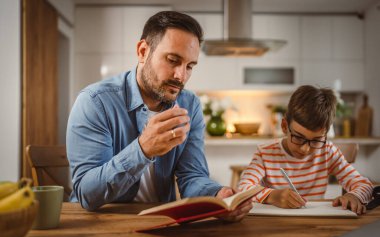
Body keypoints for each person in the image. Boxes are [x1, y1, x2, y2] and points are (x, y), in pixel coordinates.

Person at [66, 11, 251, 221]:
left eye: (190, 66)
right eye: (173, 60)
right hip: (100, 222)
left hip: (162, 223)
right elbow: (86, 194)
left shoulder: (189, 105)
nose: (181, 76)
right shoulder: (95, 102)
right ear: (143, 51)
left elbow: (192, 177)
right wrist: (143, 150)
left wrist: (217, 196)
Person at [238, 85, 373, 215]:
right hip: (275, 226)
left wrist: (354, 196)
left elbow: (364, 184)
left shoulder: (327, 151)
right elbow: (243, 188)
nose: (305, 149)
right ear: (285, 126)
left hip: (315, 226)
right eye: (298, 137)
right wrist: (273, 196)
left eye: (315, 140)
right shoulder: (265, 152)